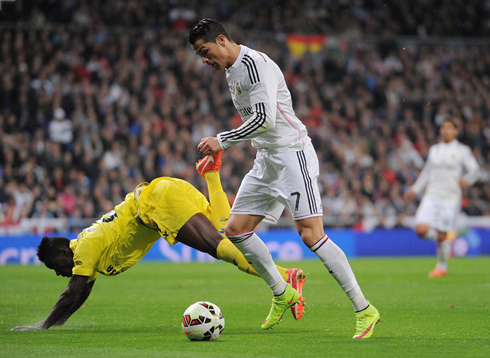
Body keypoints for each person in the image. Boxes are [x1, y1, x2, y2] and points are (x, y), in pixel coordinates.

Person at [189, 19, 380, 338]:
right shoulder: (230, 70)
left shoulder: (254, 65)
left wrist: (222, 140)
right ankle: (283, 292)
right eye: (199, 55)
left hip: (292, 155)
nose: (204, 59)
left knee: (310, 234)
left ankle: (364, 308)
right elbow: (257, 121)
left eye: (205, 51)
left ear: (222, 40)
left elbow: (265, 119)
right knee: (236, 231)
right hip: (266, 159)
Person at [12, 152, 305, 331]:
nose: (58, 273)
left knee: (218, 246)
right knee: (228, 234)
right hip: (163, 194)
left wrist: (42, 326)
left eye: (55, 266)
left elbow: (71, 293)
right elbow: (81, 292)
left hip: (155, 203)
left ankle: (283, 279)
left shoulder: (85, 249)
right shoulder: (88, 253)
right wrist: (59, 323)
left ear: (63, 252)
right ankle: (212, 174)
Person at [404, 118, 480, 277]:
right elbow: (426, 172)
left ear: (456, 131)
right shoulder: (434, 150)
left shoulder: (462, 150)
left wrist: (467, 180)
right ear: (441, 131)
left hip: (450, 198)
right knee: (420, 229)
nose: (446, 131)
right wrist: (415, 189)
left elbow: (475, 170)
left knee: (442, 232)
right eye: (444, 128)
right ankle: (445, 241)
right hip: (431, 195)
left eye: (449, 128)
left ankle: (442, 267)